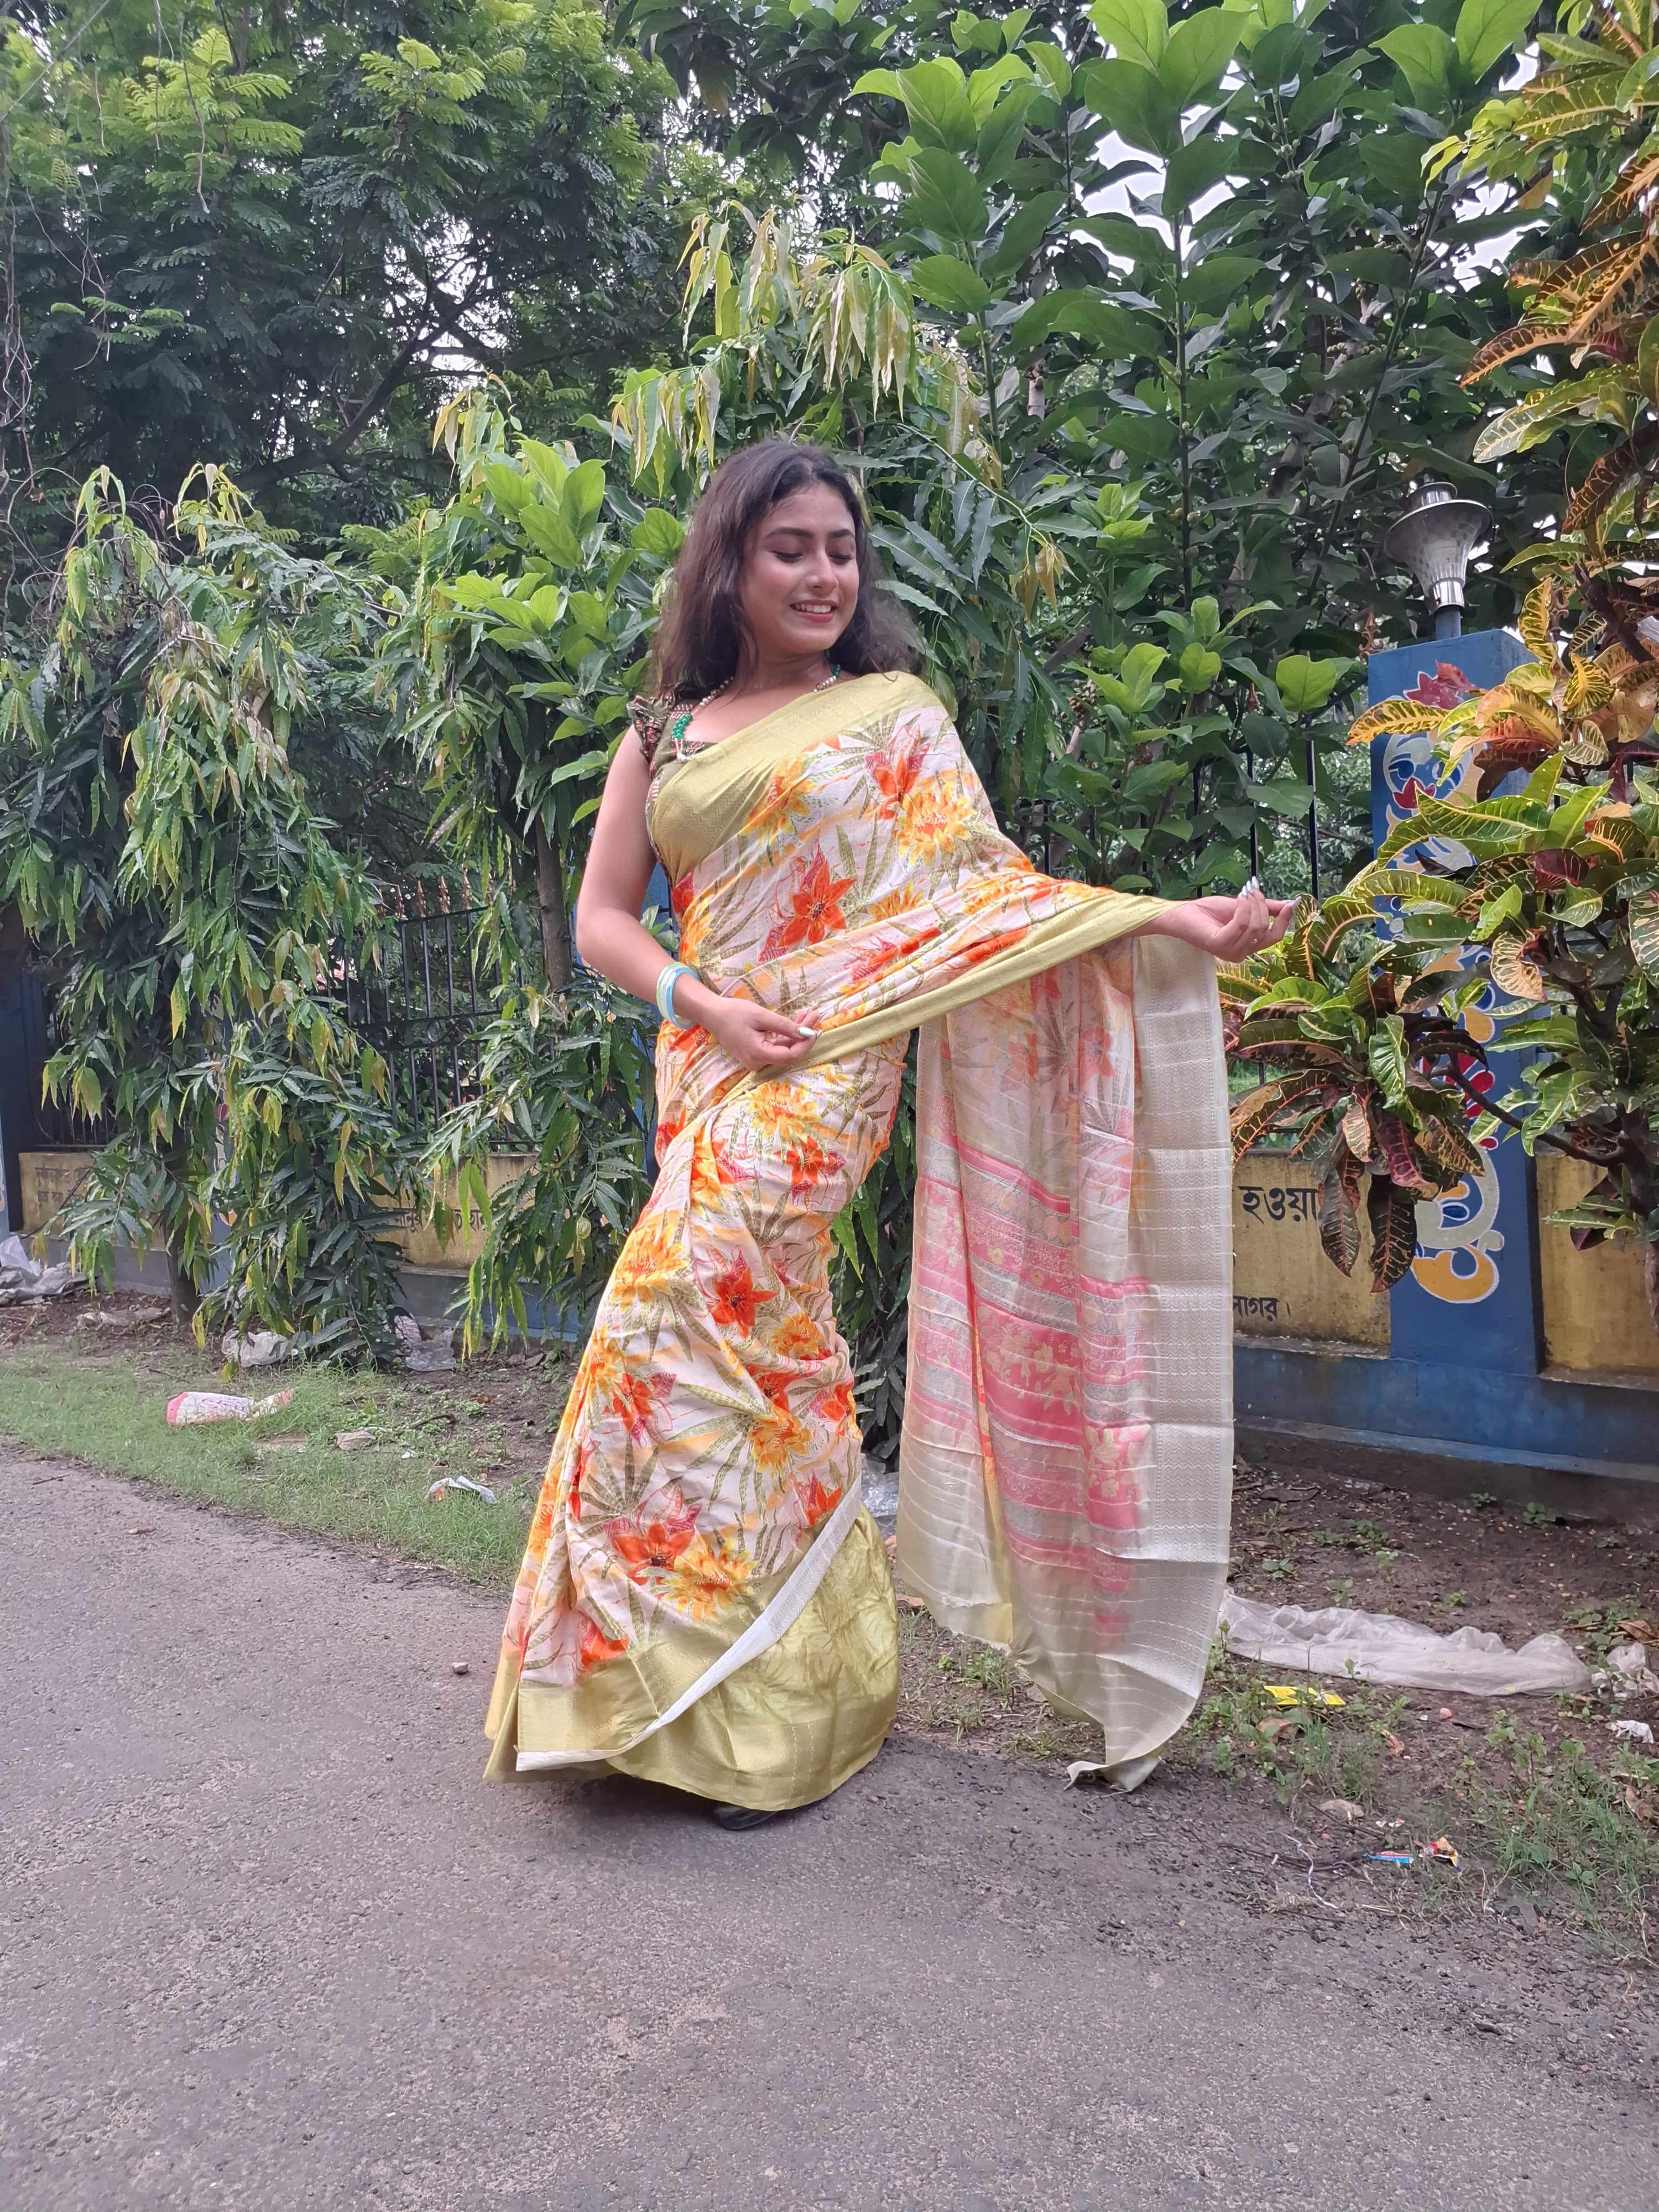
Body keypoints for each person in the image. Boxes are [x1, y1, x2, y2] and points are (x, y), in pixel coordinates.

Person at [484, 439, 1293, 1825]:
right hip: (717, 1057)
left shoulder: (892, 715)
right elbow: (602, 918)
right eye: (789, 546)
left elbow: (983, 895)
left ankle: (693, 1677)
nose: (821, 572)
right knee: (761, 1345)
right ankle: (741, 1690)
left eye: (840, 549)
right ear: (729, 562)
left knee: (673, 1298)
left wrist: (1167, 920)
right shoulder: (661, 732)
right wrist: (702, 1002)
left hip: (832, 1059)